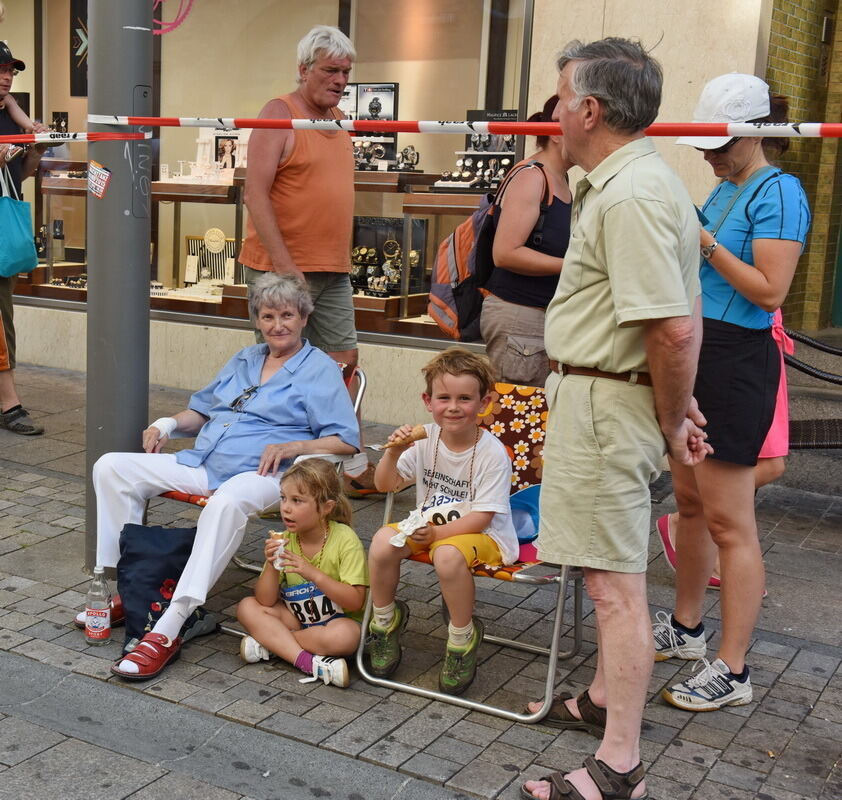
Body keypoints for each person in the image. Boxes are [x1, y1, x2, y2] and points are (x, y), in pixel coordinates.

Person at [522, 38, 709, 800]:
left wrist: (672, 417)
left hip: (607, 403)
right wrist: (678, 403)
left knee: (613, 587)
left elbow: (670, 328)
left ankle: (618, 764)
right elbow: (677, 311)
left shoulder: (628, 193)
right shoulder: (633, 183)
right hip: (607, 395)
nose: (556, 112)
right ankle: (602, 699)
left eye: (562, 98)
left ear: (591, 110)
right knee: (609, 569)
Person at [81, 273, 360, 681]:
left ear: (303, 317)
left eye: (286, 315)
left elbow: (347, 440)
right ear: (257, 319)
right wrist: (166, 425)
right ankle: (122, 589)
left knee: (226, 503)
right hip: (206, 461)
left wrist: (293, 448)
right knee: (111, 466)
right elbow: (202, 412)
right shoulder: (245, 359)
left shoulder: (319, 368)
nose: (277, 325)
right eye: (268, 316)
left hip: (267, 474)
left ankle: (171, 622)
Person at [653, 75, 810, 712]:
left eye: (721, 145)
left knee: (729, 520)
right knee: (689, 503)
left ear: (755, 132)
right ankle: (689, 629)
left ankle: (733, 666)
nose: (711, 156)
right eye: (707, 146)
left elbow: (770, 291)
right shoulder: (728, 184)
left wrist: (704, 241)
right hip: (700, 351)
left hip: (738, 359)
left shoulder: (781, 190)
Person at [239, 25, 376, 495]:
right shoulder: (279, 112)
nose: (340, 79)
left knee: (343, 362)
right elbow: (253, 193)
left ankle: (340, 469)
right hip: (282, 269)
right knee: (275, 365)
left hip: (332, 266)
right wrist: (282, 265)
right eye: (331, 70)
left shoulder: (339, 118)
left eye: (345, 72)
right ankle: (266, 465)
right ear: (304, 70)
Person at [366, 347, 518, 695]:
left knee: (447, 555)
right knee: (381, 542)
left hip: (485, 535)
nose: (453, 406)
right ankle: (385, 622)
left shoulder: (492, 453)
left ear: (484, 403)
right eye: (444, 397)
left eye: (465, 398)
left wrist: (435, 535)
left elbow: (482, 517)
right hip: (429, 526)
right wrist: (393, 450)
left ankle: (461, 640)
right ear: (428, 400)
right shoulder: (424, 439)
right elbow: (384, 485)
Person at [656, 310, 791, 591]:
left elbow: (771, 292)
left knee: (772, 465)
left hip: (760, 346)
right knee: (707, 495)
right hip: (724, 342)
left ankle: (686, 523)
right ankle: (695, 531)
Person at [236, 458, 367, 687]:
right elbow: (265, 600)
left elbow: (355, 601)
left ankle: (272, 644)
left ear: (326, 507)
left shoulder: (345, 540)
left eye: (297, 500)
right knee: (247, 606)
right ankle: (307, 661)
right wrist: (272, 566)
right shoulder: (285, 540)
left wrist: (313, 574)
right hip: (297, 620)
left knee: (346, 636)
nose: (286, 507)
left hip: (337, 623)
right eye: (284, 498)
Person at [480, 95, 573, 387]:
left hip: (540, 318)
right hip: (520, 317)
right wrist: (574, 265)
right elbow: (506, 253)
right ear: (557, 132)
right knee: (515, 417)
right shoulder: (533, 176)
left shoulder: (560, 178)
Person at [0, 42, 49, 436]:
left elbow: (25, 173)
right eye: (1, 70)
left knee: (4, 318)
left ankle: (8, 400)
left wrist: (37, 147)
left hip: (5, 227)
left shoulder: (11, 115)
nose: (6, 76)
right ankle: (8, 403)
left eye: (11, 71)